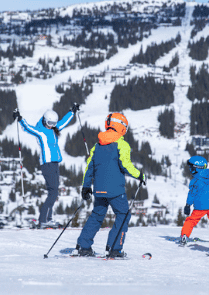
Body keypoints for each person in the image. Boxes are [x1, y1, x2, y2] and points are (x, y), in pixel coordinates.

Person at [73, 112, 146, 258]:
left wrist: (86, 186)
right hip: (115, 190)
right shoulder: (122, 144)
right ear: (122, 127)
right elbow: (126, 165)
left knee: (97, 215)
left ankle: (83, 246)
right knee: (123, 215)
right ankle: (114, 248)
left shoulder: (97, 145)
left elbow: (89, 168)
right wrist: (140, 175)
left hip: (99, 190)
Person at [13, 103, 79, 228]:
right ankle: (43, 220)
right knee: (53, 192)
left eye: (53, 124)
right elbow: (28, 128)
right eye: (49, 123)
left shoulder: (54, 130)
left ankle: (48, 218)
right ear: (44, 120)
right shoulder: (40, 131)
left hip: (55, 164)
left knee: (54, 192)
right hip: (47, 164)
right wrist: (20, 118)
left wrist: (72, 111)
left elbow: (64, 122)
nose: (51, 126)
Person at [179, 156, 209, 245]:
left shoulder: (195, 181)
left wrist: (188, 205)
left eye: (191, 167)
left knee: (191, 221)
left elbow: (191, 194)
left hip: (200, 207)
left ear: (196, 168)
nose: (190, 169)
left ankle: (184, 235)